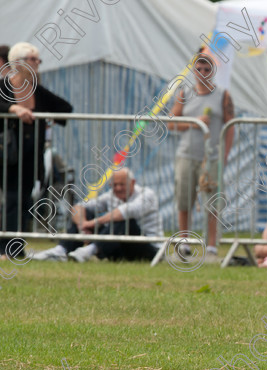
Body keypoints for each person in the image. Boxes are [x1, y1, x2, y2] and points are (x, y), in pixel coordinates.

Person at [0, 42, 72, 259]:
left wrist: (45, 116)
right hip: (8, 154)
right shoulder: (4, 87)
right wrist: (13, 108)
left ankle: (16, 246)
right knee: (12, 199)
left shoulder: (36, 91)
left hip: (32, 156)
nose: (36, 64)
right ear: (18, 62)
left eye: (37, 60)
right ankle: (5, 247)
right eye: (32, 59)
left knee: (24, 201)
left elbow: (65, 108)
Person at [169, 49, 234, 258]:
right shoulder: (184, 93)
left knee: (212, 202)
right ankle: (184, 241)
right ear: (194, 70)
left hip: (211, 157)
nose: (203, 72)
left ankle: (212, 245)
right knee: (184, 200)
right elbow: (171, 123)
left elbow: (231, 126)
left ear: (213, 70)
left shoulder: (223, 95)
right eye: (199, 68)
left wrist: (224, 155)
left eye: (207, 68)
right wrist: (193, 123)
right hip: (186, 154)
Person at [31, 168, 162, 262]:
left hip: (148, 248)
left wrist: (92, 224)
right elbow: (79, 207)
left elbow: (125, 212)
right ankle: (61, 250)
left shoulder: (147, 194)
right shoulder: (111, 195)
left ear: (133, 182)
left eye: (122, 184)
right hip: (119, 249)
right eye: (114, 185)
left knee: (124, 221)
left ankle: (90, 250)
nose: (117, 188)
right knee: (87, 213)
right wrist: (83, 225)